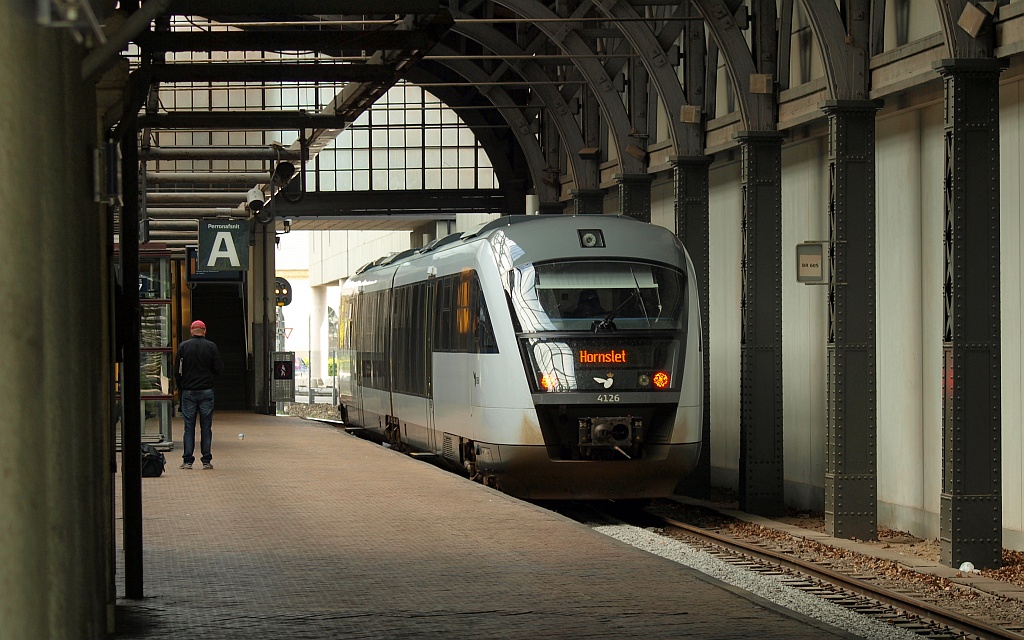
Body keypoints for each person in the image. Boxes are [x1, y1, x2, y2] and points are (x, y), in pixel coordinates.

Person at [174, 319, 224, 470]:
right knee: (206, 426)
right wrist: (209, 377)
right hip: (206, 391)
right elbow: (219, 368)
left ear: (191, 331)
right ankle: (206, 460)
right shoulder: (211, 346)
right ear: (204, 331)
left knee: (188, 427)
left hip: (188, 391)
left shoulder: (183, 347)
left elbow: (177, 371)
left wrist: (181, 386)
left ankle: (188, 460)